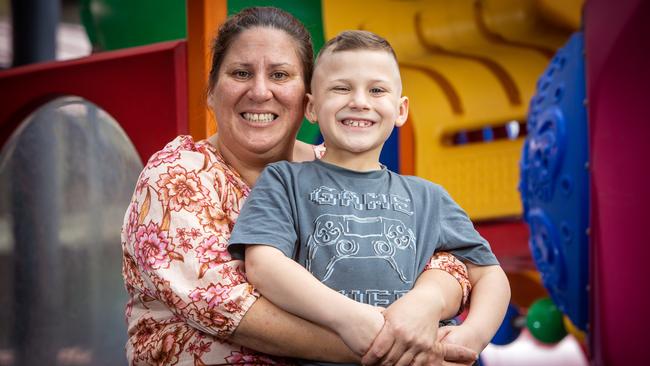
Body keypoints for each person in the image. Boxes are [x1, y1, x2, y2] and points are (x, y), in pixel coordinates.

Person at [121, 7, 480, 366]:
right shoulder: (177, 174)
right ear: (212, 91)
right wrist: (398, 352)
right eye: (241, 73)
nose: (260, 91)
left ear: (309, 97)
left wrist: (428, 301)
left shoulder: (341, 164)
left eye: (280, 75)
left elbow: (443, 254)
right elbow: (226, 306)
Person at [228, 30, 511, 366]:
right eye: (341, 88)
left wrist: (471, 337)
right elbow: (263, 264)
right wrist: (347, 318)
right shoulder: (284, 180)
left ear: (401, 109)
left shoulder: (428, 197)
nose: (359, 101)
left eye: (377, 90)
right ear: (312, 107)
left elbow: (490, 275)